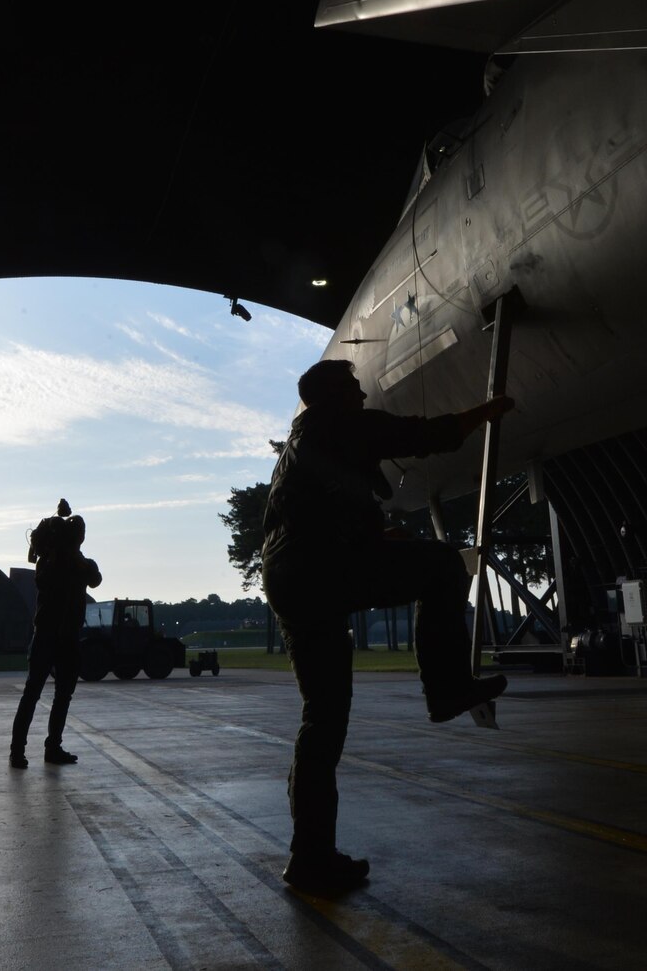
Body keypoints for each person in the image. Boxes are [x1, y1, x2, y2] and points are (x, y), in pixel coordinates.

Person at [260, 358, 513, 893]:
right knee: (445, 566)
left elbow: (319, 509)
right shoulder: (343, 423)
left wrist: (375, 542)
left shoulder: (300, 445)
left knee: (322, 719)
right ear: (333, 395)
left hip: (290, 576)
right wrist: (488, 410)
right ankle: (444, 687)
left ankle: (311, 856)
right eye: (352, 386)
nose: (360, 391)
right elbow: (427, 435)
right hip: (320, 569)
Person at [9, 499, 100, 768]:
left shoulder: (74, 563)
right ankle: (21, 750)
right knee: (36, 693)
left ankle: (46, 748)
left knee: (53, 694)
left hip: (62, 637)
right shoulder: (53, 564)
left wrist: (74, 558)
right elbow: (84, 578)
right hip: (51, 635)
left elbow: (95, 578)